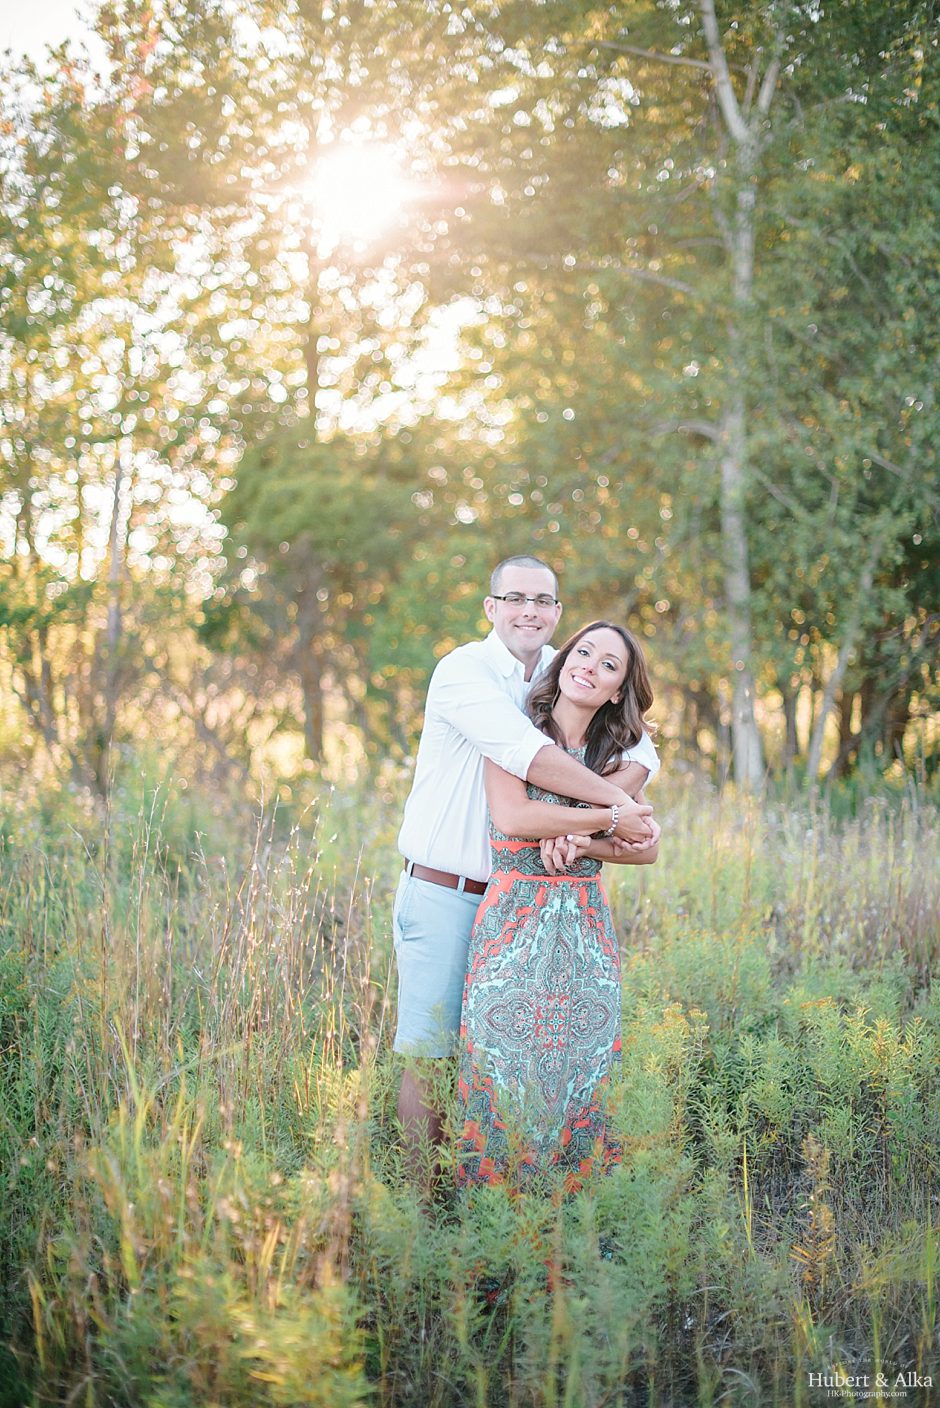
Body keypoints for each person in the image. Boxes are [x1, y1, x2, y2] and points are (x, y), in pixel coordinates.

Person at [393, 556, 660, 1188]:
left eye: (543, 601)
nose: (529, 611)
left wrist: (586, 831)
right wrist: (614, 813)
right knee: (432, 1058)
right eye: (515, 598)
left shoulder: (557, 671)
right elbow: (528, 760)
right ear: (491, 607)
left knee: (520, 1066)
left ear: (558, 613)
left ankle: (523, 1203)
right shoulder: (466, 671)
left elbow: (640, 745)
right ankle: (420, 1212)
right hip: (447, 889)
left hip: (527, 907)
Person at [455, 620, 659, 1192]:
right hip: (512, 926)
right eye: (583, 652)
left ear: (617, 691)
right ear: (564, 659)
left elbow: (647, 845)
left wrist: (584, 843)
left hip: (585, 933)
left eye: (608, 665)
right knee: (501, 1073)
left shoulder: (616, 757)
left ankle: (575, 1227)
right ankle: (497, 1224)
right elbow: (514, 818)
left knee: (582, 1079)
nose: (589, 666)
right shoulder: (513, 733)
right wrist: (603, 819)